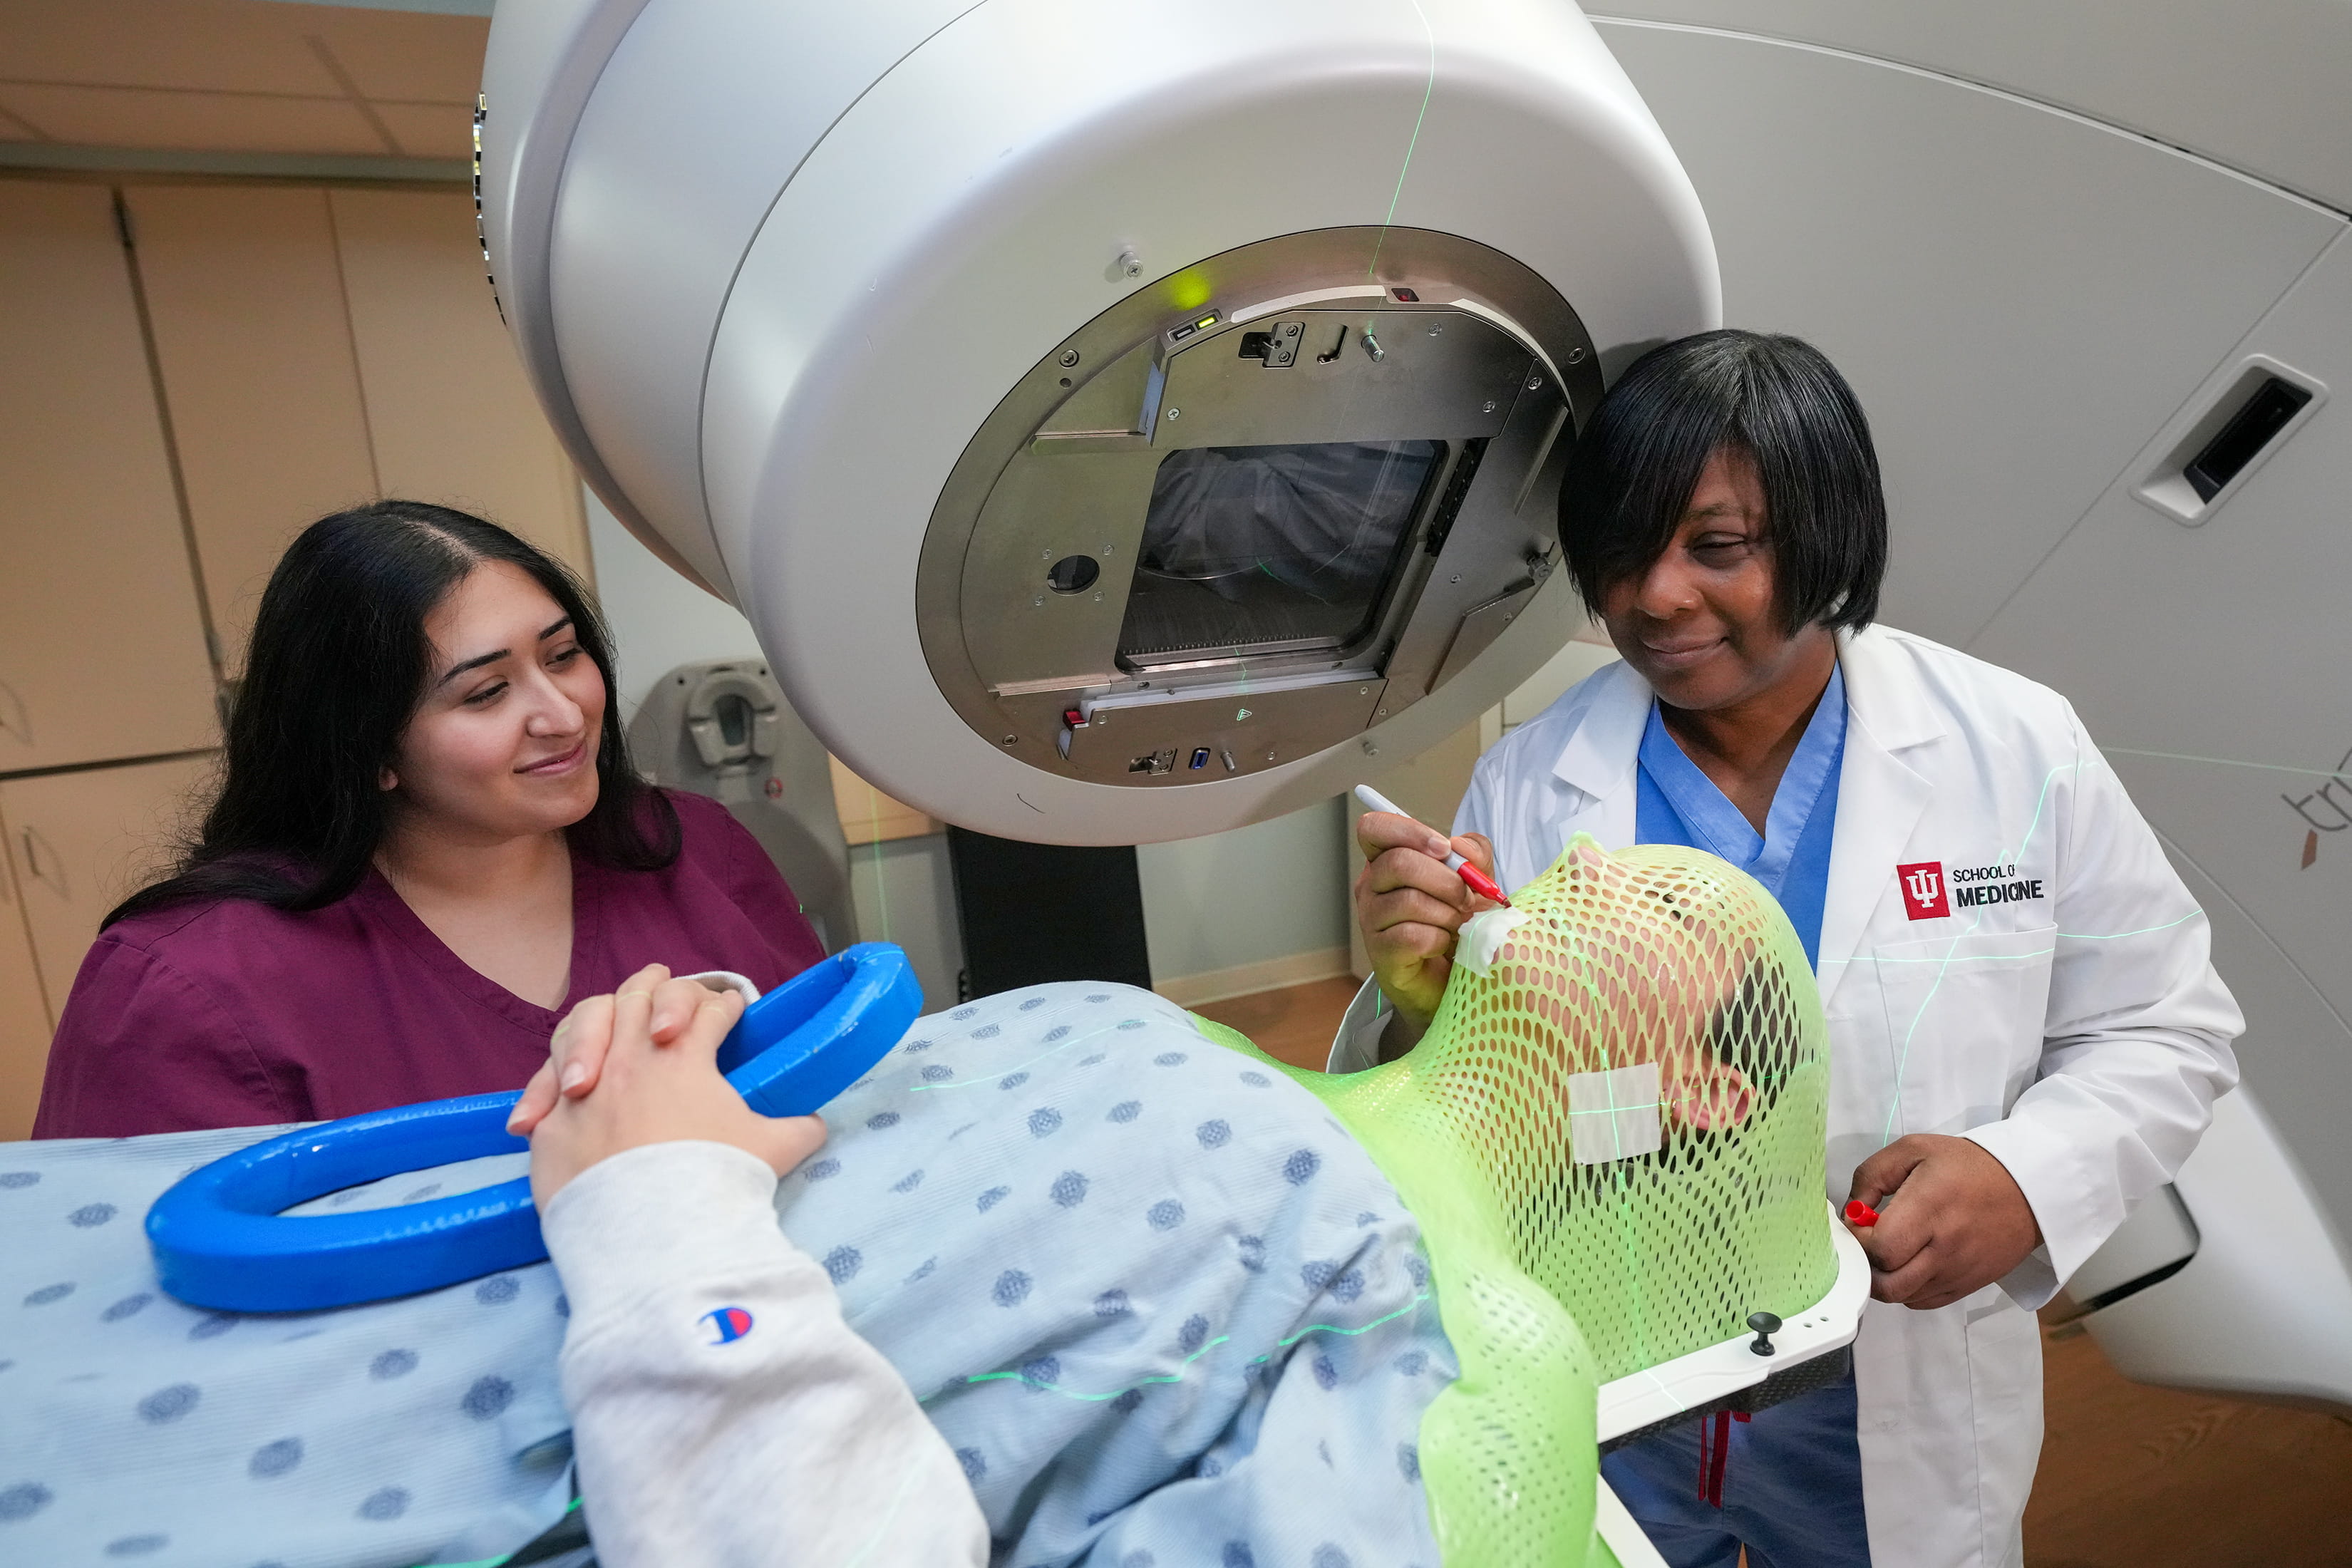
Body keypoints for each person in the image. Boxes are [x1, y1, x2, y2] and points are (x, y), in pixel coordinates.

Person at [1347, 330, 2242, 1568]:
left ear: (1824, 533)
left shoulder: (2014, 747)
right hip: (1620, 1379)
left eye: (1717, 547)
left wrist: (2023, 1176)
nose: (1653, 596)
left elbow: (2169, 1024)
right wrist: (1417, 1008)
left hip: (1884, 1394)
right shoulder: (1534, 780)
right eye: (1620, 548)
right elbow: (1465, 1111)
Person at [33, 502, 825, 1137]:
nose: (563, 713)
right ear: (369, 745)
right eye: (485, 693)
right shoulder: (189, 984)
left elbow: (832, 1087)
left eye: (561, 655)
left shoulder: (687, 847)